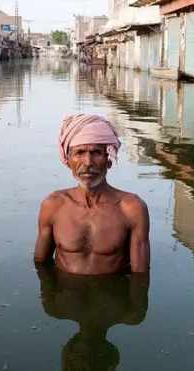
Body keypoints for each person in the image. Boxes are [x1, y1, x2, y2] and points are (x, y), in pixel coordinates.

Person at [34, 114, 151, 275]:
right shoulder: (53, 205)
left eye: (96, 153)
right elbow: (41, 265)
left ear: (109, 159)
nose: (88, 162)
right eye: (79, 153)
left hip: (111, 296)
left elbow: (141, 276)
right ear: (68, 160)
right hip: (65, 297)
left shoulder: (132, 209)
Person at [35, 262, 148, 371]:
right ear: (111, 356)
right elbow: (41, 263)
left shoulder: (53, 307)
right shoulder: (132, 314)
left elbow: (41, 265)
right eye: (95, 365)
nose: (88, 364)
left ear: (69, 354)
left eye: (81, 369)